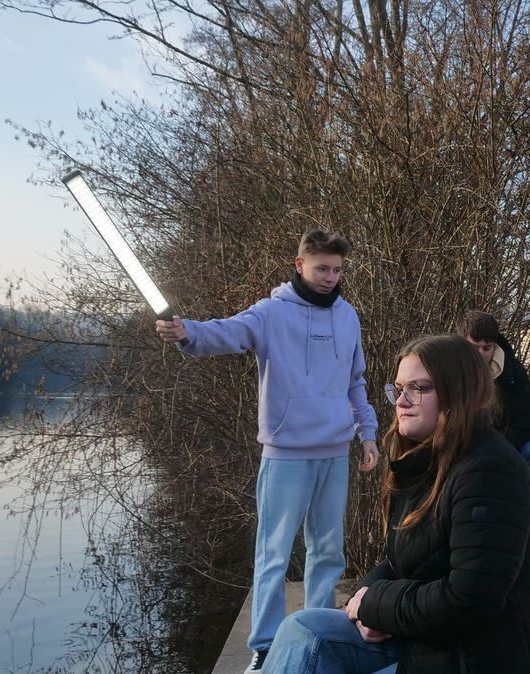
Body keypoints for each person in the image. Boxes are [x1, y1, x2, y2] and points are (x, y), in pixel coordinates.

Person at [261, 335, 530, 674]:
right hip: (443, 644)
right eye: (399, 388)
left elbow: (469, 601)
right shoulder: (426, 461)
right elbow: (403, 561)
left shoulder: (489, 471)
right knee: (304, 632)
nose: (401, 401)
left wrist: (376, 605)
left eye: (419, 388)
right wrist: (365, 597)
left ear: (458, 394)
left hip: (492, 656)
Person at [155, 229, 379, 673]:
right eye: (321, 268)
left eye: (337, 270)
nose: (330, 277)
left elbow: (356, 381)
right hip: (286, 452)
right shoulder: (271, 313)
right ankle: (265, 644)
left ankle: (318, 631)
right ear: (299, 265)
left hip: (335, 451)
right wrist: (185, 333)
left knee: (328, 551)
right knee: (274, 552)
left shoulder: (349, 316)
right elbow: (226, 332)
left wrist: (367, 433)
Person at [454, 309, 530, 479]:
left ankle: (520, 500)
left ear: (495, 345)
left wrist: (496, 447)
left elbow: (527, 421)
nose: (481, 354)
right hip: (460, 445)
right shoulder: (446, 370)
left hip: (501, 441)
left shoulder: (512, 371)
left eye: (486, 348)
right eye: (474, 347)